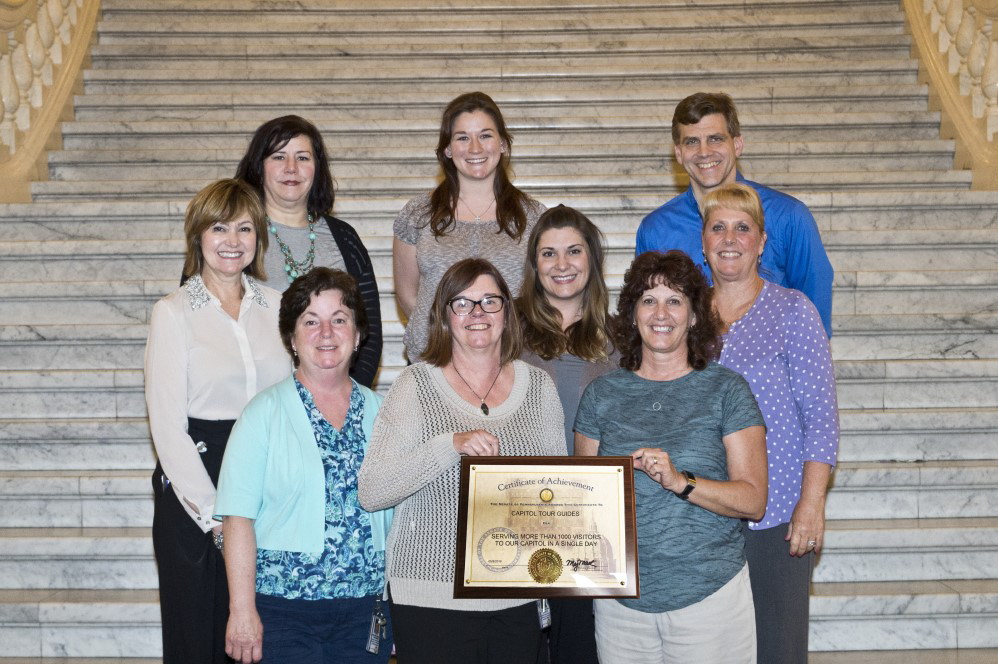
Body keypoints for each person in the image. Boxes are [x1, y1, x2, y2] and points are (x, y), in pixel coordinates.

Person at [358, 258, 565, 664]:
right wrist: (449, 445)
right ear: (444, 315)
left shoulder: (539, 387)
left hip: (516, 597)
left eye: (490, 301)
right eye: (463, 303)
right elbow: (372, 491)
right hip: (432, 598)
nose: (477, 313)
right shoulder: (415, 384)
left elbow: (557, 497)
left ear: (508, 311)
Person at [575, 250, 767, 664]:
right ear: (632, 314)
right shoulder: (601, 396)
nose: (661, 312)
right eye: (648, 300)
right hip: (620, 606)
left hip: (709, 598)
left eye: (675, 300)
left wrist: (682, 482)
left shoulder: (727, 391)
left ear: (695, 315)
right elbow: (583, 507)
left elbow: (753, 500)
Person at [144, 178, 291, 664]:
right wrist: (217, 518)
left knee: (264, 632)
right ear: (198, 236)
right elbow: (167, 428)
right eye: (220, 227)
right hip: (198, 484)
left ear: (259, 237)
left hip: (268, 479)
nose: (233, 240)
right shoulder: (174, 313)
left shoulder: (278, 307)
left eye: (245, 228)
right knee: (201, 636)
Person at [215, 267, 393, 664]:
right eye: (310, 321)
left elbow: (402, 519)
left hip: (366, 613)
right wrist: (241, 611)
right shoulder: (262, 413)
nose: (326, 333)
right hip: (283, 613)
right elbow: (237, 518)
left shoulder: (386, 414)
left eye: (339, 320)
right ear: (291, 339)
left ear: (359, 335)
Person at [702, 183, 840, 664]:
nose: (730, 238)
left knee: (776, 649)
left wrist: (811, 505)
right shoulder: (684, 315)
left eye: (743, 228)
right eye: (718, 227)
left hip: (776, 517)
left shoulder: (793, 311)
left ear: (761, 241)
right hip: (701, 514)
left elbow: (820, 418)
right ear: (703, 241)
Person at [634, 92, 834, 337]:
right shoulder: (656, 230)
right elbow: (648, 318)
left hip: (768, 372)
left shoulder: (788, 217)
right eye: (692, 142)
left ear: (737, 144)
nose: (704, 152)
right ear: (678, 153)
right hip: (688, 371)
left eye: (715, 139)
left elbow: (814, 319)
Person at [516, 204, 616, 664]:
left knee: (580, 649)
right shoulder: (506, 330)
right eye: (548, 253)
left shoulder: (620, 336)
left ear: (592, 259)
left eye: (574, 251)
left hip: (590, 522)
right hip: (519, 513)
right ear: (534, 265)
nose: (562, 265)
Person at [393, 91, 545, 361]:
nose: (475, 148)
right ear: (448, 149)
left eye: (485, 135)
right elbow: (407, 296)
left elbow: (542, 297)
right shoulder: (418, 214)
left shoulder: (533, 217)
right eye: (462, 137)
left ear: (503, 144)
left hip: (509, 364)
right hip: (433, 363)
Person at [235, 114, 382, 387]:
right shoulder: (234, 235)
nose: (291, 168)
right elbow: (200, 317)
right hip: (252, 400)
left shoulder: (345, 238)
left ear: (317, 168)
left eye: (302, 158)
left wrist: (343, 398)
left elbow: (368, 332)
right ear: (259, 167)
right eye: (278, 157)